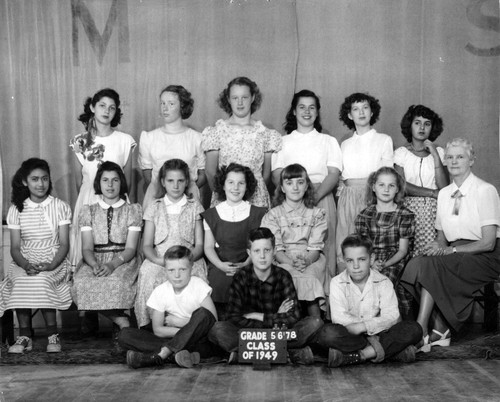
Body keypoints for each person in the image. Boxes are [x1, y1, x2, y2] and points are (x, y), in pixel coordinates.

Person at [401, 138, 500, 351]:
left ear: (472, 160)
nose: (454, 161)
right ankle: (438, 327)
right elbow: (441, 238)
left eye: (461, 157)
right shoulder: (444, 194)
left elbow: (489, 242)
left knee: (433, 266)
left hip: (485, 255)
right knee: (418, 263)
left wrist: (450, 250)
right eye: (450, 157)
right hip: (456, 253)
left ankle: (422, 329)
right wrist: (435, 247)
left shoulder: (485, 190)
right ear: (444, 160)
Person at [208, 228, 324, 365]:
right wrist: (275, 318)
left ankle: (245, 353)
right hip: (256, 333)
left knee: (315, 323)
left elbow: (294, 316)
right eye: (257, 251)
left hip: (275, 333)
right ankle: (286, 353)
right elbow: (233, 317)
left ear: (274, 251)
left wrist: (258, 316)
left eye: (267, 250)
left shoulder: (283, 276)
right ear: (249, 253)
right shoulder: (241, 277)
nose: (262, 256)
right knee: (218, 329)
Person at [316, 234, 422, 367]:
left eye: (361, 259)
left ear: (371, 259)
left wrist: (364, 326)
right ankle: (391, 351)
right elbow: (339, 318)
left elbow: (392, 317)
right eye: (350, 260)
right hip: (353, 336)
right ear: (344, 260)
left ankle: (361, 355)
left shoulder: (384, 282)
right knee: (326, 334)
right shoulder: (337, 282)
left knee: (415, 328)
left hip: (380, 332)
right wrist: (366, 329)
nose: (356, 266)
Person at [0, 158, 72, 353]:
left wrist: (51, 264)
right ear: (25, 182)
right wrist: (25, 265)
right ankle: (25, 336)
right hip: (25, 259)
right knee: (20, 281)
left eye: (45, 179)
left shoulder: (60, 206)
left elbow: (64, 244)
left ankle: (52, 334)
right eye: (35, 179)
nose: (40, 184)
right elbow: (15, 247)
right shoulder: (17, 209)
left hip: (53, 257)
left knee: (43, 280)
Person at [272, 90, 342, 290]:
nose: (307, 111)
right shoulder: (283, 141)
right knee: (290, 245)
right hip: (290, 199)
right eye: (302, 107)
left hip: (321, 197)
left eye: (312, 107)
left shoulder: (328, 141)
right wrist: (296, 197)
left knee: (323, 247)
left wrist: (313, 197)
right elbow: (277, 174)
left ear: (317, 112)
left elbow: (334, 173)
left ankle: (325, 300)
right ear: (294, 111)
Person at [71, 162, 142, 334]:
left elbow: (131, 248)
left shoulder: (132, 210)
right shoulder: (89, 211)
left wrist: (112, 265)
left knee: (117, 282)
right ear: (98, 183)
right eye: (105, 180)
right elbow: (87, 248)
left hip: (123, 259)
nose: (110, 185)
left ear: (121, 183)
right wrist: (95, 265)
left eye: (115, 180)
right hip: (95, 258)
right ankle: (118, 319)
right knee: (82, 282)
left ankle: (117, 325)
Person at [119, 246, 217, 369]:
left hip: (200, 341)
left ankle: (163, 354)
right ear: (165, 270)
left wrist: (180, 322)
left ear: (191, 268)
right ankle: (177, 356)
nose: (177, 275)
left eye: (182, 269)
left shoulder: (198, 285)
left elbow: (212, 320)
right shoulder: (160, 291)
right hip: (184, 341)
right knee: (125, 335)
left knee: (204, 313)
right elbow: (158, 330)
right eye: (171, 270)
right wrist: (187, 332)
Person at [135, 159, 206, 328]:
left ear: (187, 182)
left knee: (196, 277)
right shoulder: (154, 207)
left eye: (180, 181)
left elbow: (200, 246)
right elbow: (146, 246)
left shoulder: (194, 207)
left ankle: (189, 325)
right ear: (162, 182)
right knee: (148, 274)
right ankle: (150, 326)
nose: (175, 186)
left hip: (189, 259)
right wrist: (160, 261)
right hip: (159, 259)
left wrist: (187, 260)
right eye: (170, 181)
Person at [69, 88, 136, 268]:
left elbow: (127, 181)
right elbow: (79, 182)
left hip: (117, 202)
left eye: (112, 108)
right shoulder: (79, 141)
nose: (107, 111)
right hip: (89, 199)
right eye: (102, 105)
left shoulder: (125, 140)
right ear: (92, 107)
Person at [202, 76, 282, 208]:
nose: (240, 103)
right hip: (226, 198)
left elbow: (266, 175)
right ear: (228, 99)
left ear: (253, 98)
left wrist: (253, 191)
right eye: (235, 98)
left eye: (244, 97)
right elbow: (210, 172)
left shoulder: (265, 133)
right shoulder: (217, 132)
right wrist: (224, 195)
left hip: (256, 199)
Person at [336, 92, 393, 272]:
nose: (361, 113)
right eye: (356, 109)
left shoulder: (383, 140)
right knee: (346, 243)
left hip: (372, 197)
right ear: (349, 115)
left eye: (365, 108)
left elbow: (387, 174)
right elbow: (341, 178)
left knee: (369, 245)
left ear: (372, 112)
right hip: (348, 198)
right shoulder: (345, 144)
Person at [201, 163, 267, 317]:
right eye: (230, 182)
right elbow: (208, 247)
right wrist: (221, 266)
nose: (235, 187)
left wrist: (246, 263)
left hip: (250, 264)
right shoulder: (212, 214)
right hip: (221, 265)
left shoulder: (258, 213)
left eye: (241, 183)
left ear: (247, 186)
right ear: (223, 185)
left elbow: (261, 245)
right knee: (219, 283)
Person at [262, 164, 327, 317]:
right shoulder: (273, 215)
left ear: (307, 186)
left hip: (311, 258)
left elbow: (315, 248)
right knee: (286, 275)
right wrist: (291, 263)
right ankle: (286, 324)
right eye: (289, 183)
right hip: (282, 258)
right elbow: (276, 249)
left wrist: (306, 261)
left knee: (309, 276)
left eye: (300, 182)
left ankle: (315, 323)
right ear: (282, 188)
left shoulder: (317, 214)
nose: (295, 187)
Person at [354, 167, 415, 317]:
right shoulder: (365, 215)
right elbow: (362, 247)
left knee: (384, 281)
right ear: (373, 187)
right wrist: (371, 263)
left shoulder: (405, 214)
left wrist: (384, 264)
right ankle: (365, 321)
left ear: (397, 189)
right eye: (381, 185)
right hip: (370, 258)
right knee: (356, 280)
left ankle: (388, 322)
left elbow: (403, 250)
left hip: (395, 258)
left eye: (391, 186)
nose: (386, 189)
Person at [138, 85, 206, 210]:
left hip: (188, 199)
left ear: (182, 106)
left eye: (171, 104)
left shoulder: (197, 138)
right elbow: (147, 173)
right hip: (157, 199)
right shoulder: (149, 138)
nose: (165, 108)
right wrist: (163, 191)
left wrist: (183, 189)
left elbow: (203, 173)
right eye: (162, 103)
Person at [394, 105, 448, 257]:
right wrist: (432, 193)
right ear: (409, 125)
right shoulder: (401, 153)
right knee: (409, 253)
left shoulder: (440, 152)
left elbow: (444, 187)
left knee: (433, 253)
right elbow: (401, 185)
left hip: (435, 211)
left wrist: (436, 155)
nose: (422, 127)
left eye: (427, 124)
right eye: (417, 123)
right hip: (409, 208)